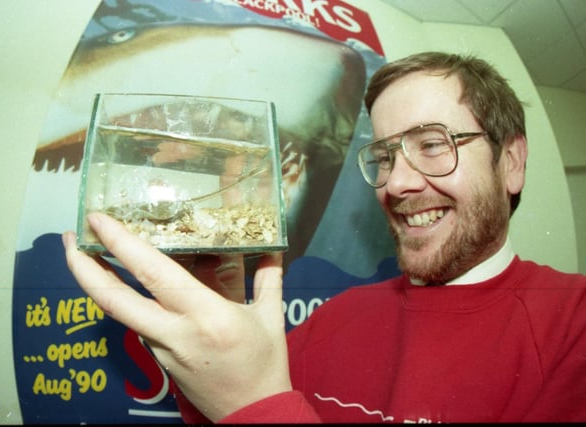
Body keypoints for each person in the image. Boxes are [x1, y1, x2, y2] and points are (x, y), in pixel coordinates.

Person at [62, 51, 586, 423]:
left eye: (432, 143)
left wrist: (254, 405)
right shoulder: (333, 320)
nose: (397, 182)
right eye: (384, 156)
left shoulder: (573, 326)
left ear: (511, 162)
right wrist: (209, 363)